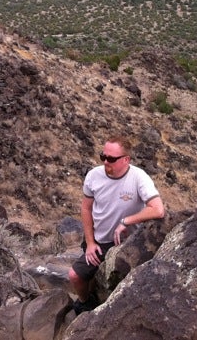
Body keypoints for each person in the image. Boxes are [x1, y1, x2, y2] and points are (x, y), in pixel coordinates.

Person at [67, 135, 165, 314]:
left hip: (128, 242)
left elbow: (158, 209)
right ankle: (86, 302)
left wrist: (126, 221)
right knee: (75, 276)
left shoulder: (138, 177)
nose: (105, 162)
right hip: (100, 240)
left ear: (126, 159)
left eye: (111, 159)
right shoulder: (93, 176)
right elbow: (86, 208)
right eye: (102, 156)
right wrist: (90, 243)